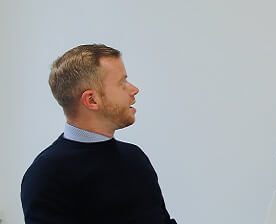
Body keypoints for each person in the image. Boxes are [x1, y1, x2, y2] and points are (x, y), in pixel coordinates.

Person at [21, 44, 177, 224]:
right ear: (92, 100)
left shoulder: (135, 158)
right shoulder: (45, 176)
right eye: (122, 83)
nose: (134, 89)